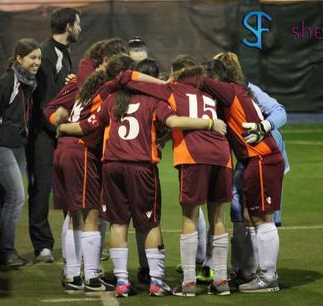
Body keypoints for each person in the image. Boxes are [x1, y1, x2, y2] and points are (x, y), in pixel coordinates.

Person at [56, 58, 227, 298]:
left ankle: (122, 282)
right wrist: (209, 123)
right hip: (141, 166)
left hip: (112, 166)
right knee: (149, 223)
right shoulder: (154, 100)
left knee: (118, 223)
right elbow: (172, 122)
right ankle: (157, 281)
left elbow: (87, 125)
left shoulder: (111, 100)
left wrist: (62, 128)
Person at [116, 55, 234, 296]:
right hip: (222, 154)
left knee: (189, 217)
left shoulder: (171, 89)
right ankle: (221, 280)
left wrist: (163, 83)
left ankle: (189, 282)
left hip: (193, 155)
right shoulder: (208, 92)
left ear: (177, 73)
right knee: (219, 218)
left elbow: (126, 78)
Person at [44, 54, 134, 293]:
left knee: (75, 216)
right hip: (80, 152)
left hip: (64, 150)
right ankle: (90, 276)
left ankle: (73, 273)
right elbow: (89, 125)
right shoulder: (105, 92)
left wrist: (60, 127)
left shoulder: (86, 87)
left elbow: (85, 63)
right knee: (92, 215)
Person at [200, 53, 284, 292]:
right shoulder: (237, 91)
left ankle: (268, 277)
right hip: (253, 160)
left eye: (210, 77)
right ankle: (251, 272)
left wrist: (181, 76)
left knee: (262, 217)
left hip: (262, 159)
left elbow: (202, 81)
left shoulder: (229, 90)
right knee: (248, 216)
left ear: (217, 77)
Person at [0, 38, 41, 269]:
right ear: (19, 58)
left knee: (7, 198)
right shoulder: (8, 81)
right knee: (16, 195)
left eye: (39, 58)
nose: (37, 62)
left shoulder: (28, 82)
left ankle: (2, 253)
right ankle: (7, 253)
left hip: (16, 145)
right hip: (1, 144)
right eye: (32, 57)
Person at [27, 7, 81, 263]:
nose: (80, 29)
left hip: (60, 131)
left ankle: (76, 242)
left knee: (69, 187)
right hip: (45, 133)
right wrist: (55, 127)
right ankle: (42, 246)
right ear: (68, 26)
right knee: (42, 187)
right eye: (77, 24)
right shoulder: (47, 53)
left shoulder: (64, 53)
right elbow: (41, 100)